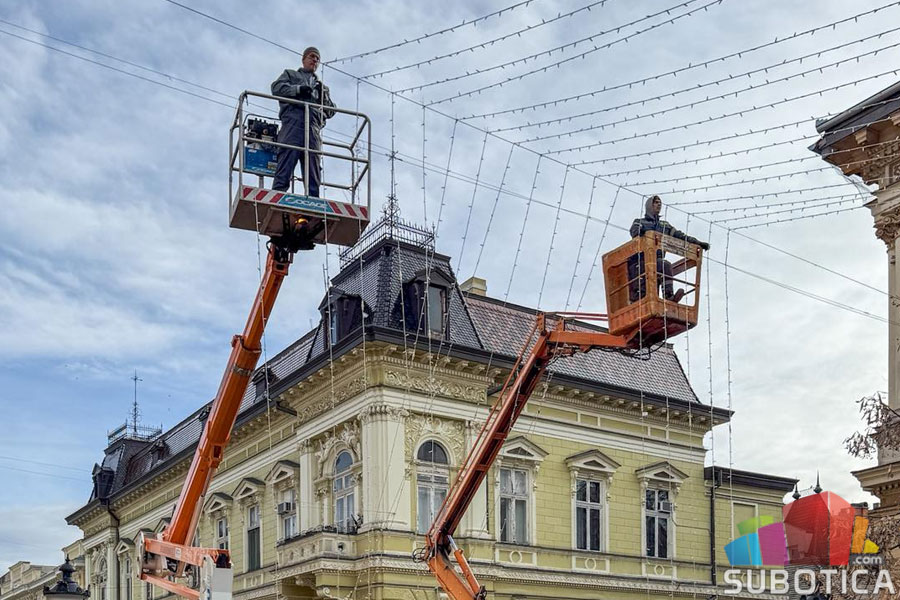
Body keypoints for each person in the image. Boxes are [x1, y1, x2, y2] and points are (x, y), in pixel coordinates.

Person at [271, 46, 336, 196]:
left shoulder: (322, 88)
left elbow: (331, 110)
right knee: (286, 161)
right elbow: (276, 88)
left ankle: (314, 199)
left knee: (312, 167)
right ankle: (278, 194)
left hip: (313, 129)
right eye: (312, 56)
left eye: (317, 59)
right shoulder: (291, 75)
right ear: (304, 59)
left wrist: (322, 97)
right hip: (293, 125)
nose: (315, 60)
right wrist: (298, 90)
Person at [628, 195, 710, 303]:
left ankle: (668, 295)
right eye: (656, 202)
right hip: (640, 260)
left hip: (656, 261)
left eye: (660, 202)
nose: (659, 204)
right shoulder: (640, 222)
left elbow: (680, 236)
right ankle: (640, 297)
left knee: (664, 265)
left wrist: (697, 243)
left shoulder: (665, 226)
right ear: (649, 205)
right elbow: (634, 232)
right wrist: (643, 233)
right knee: (654, 273)